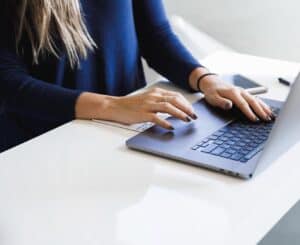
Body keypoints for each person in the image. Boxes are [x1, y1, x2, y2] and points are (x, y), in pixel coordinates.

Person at [0, 0, 273, 152]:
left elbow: (155, 35)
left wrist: (206, 80)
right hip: (42, 146)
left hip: (124, 133)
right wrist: (111, 106)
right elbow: (8, 83)